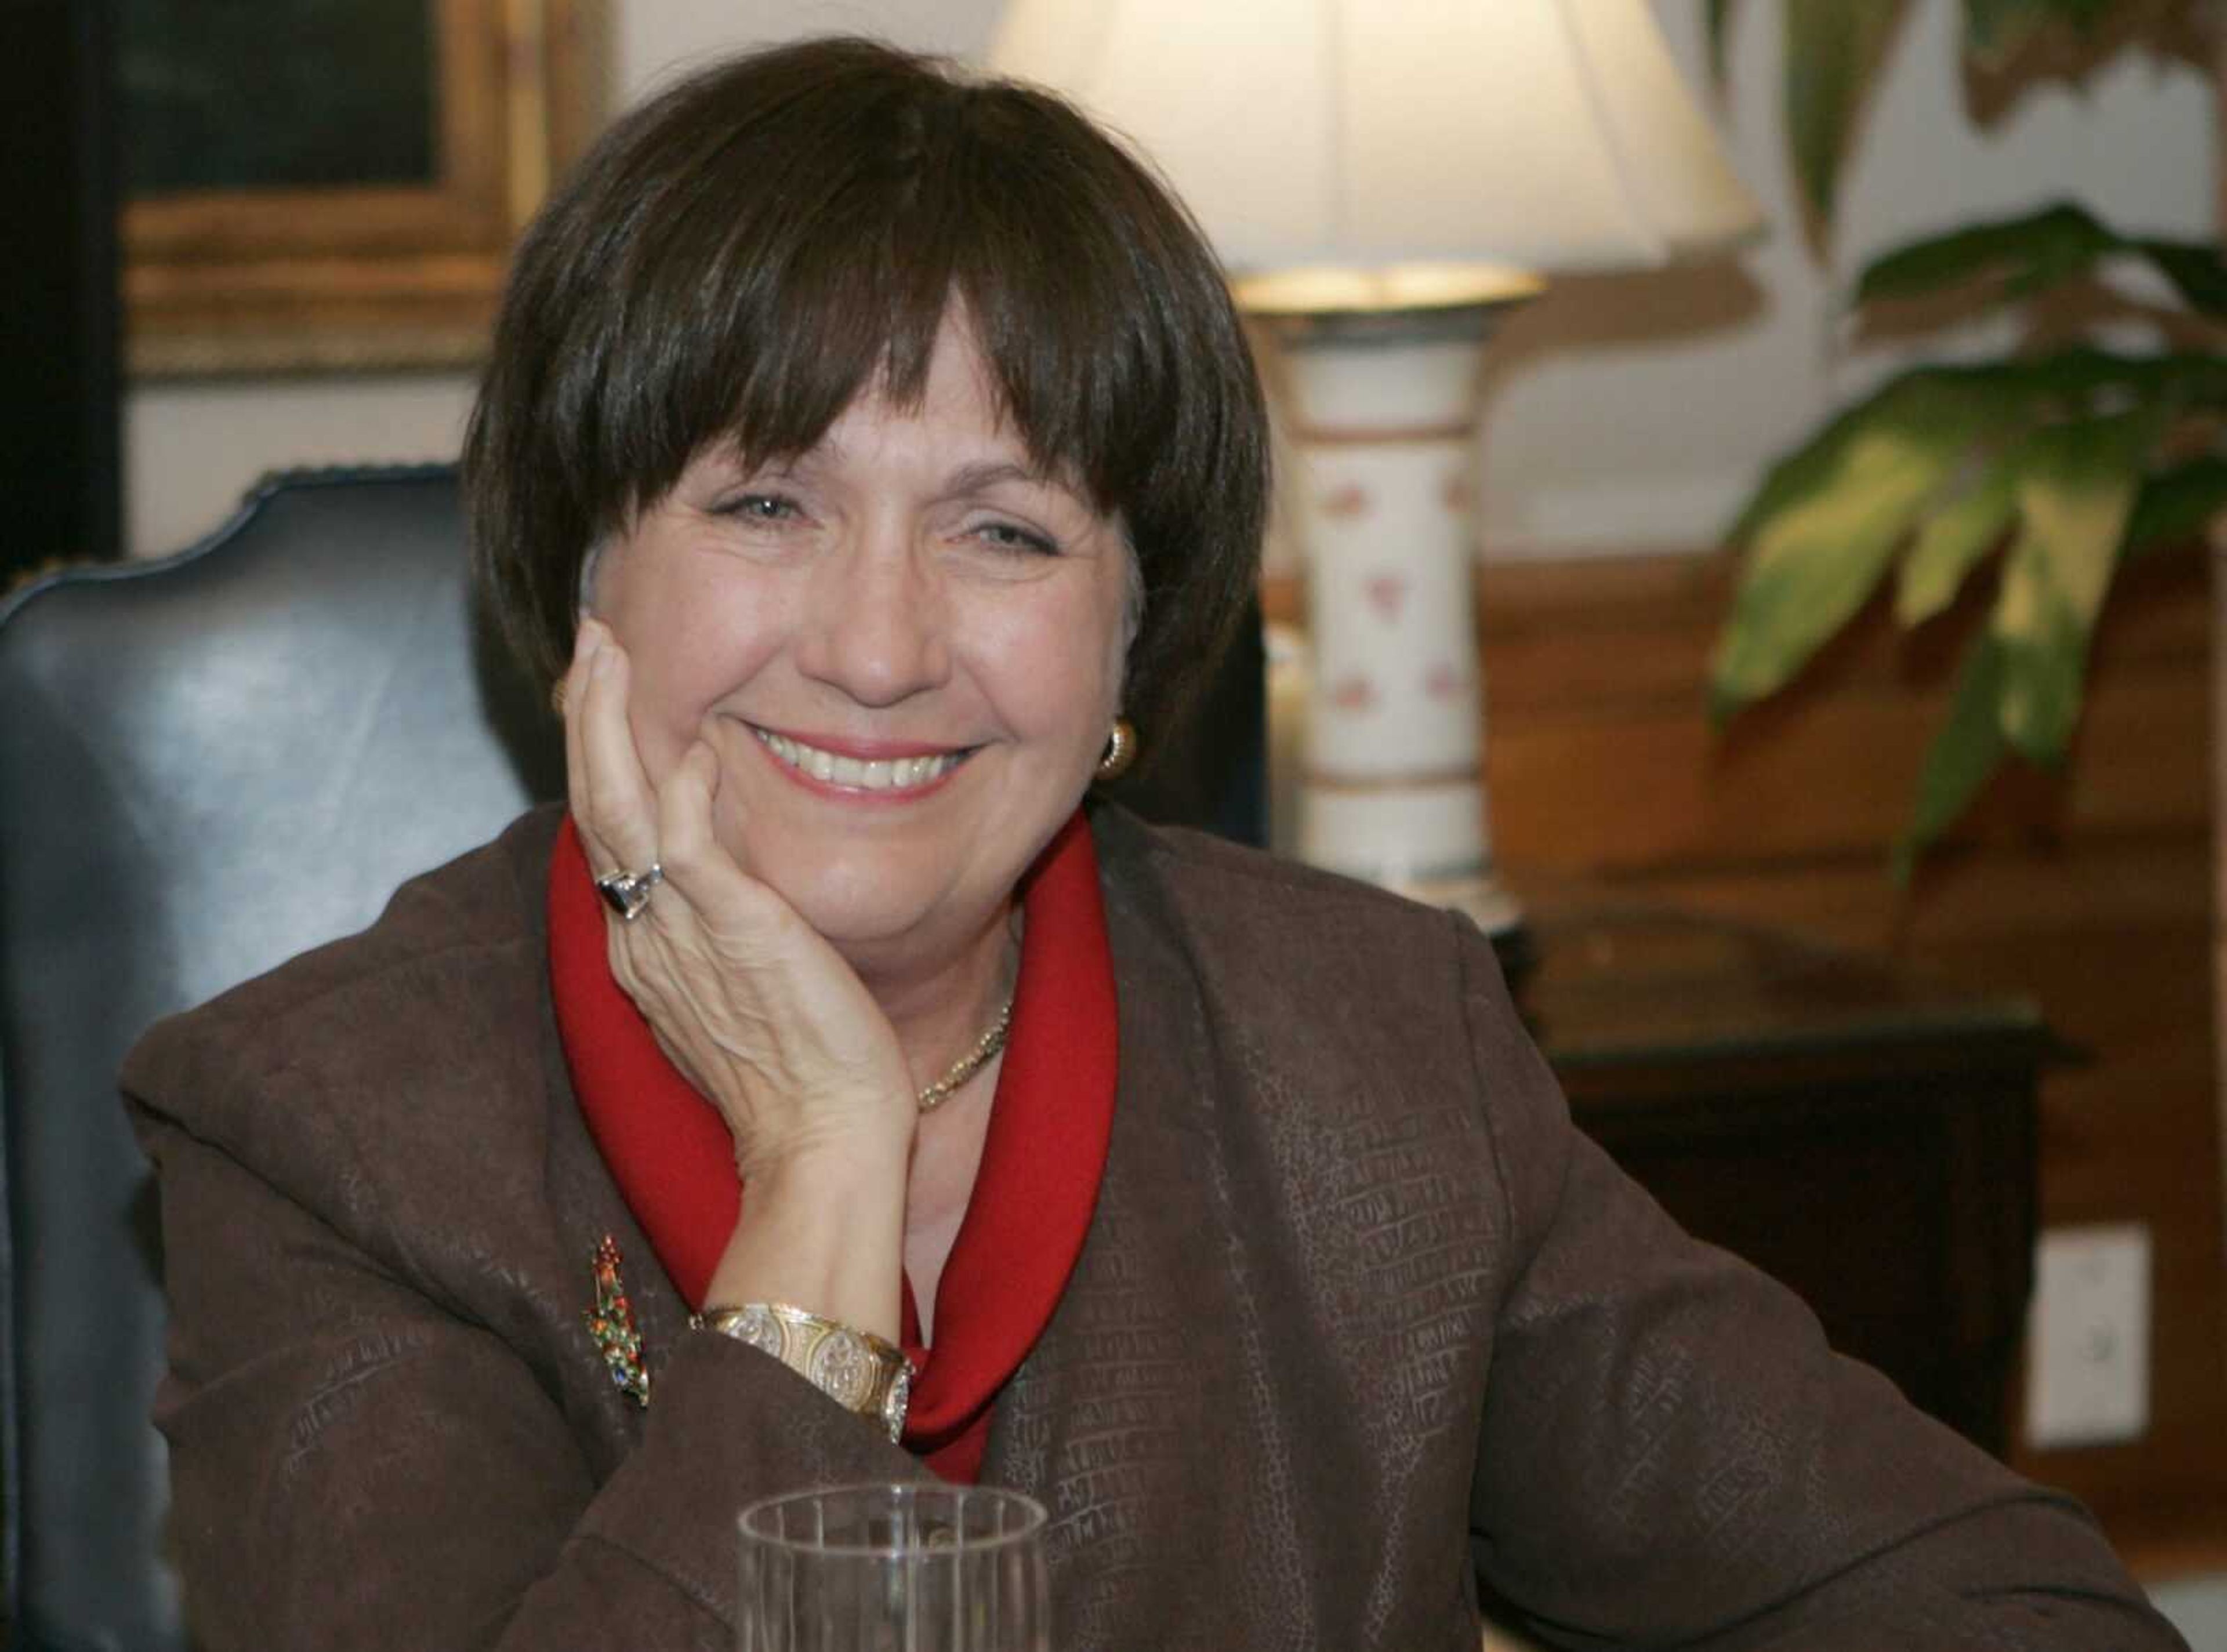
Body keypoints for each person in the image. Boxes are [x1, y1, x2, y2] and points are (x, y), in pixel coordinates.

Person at [122, 34, 2185, 1652]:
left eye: (1005, 529)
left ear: (1133, 645)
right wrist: (826, 1191)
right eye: (765, 502)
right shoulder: (334, 1129)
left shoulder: (1370, 1052)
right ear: (593, 586)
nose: (876, 645)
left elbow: (2006, 1611)